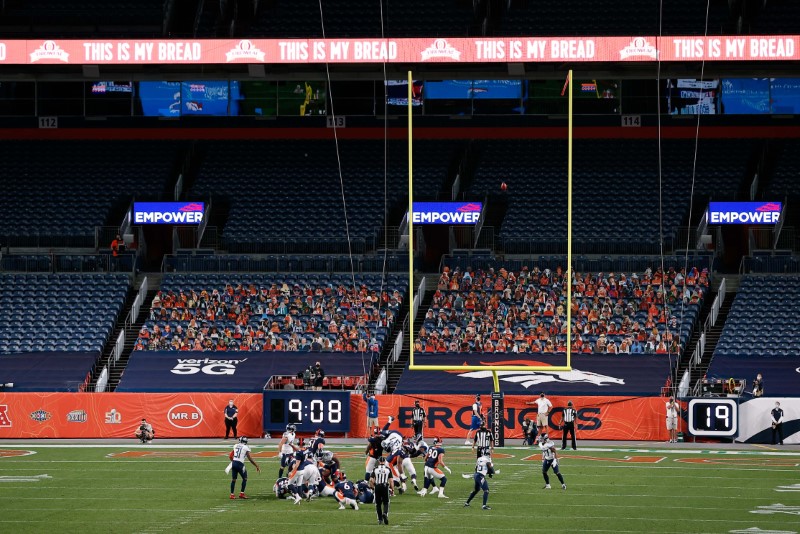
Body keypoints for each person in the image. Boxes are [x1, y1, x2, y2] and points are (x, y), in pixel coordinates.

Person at [371, 456, 392, 525]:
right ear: (384, 461)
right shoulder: (388, 469)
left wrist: (373, 487)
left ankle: (380, 519)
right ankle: (385, 513)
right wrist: (392, 489)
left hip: (377, 486)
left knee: (378, 504)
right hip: (385, 486)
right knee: (386, 502)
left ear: (379, 461)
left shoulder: (375, 469)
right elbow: (391, 480)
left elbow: (371, 480)